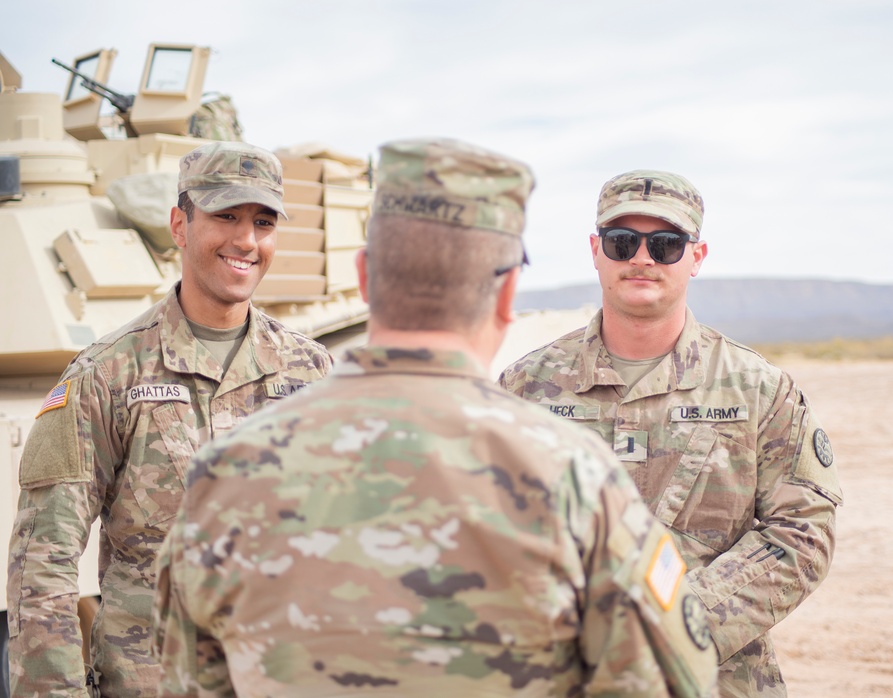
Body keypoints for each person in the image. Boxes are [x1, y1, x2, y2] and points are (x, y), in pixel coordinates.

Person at [152, 138, 720, 697]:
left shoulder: (224, 475)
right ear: (507, 293)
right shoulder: (576, 478)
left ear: (367, 277)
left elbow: (187, 680)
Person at [6, 141, 334, 697]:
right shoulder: (106, 374)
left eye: (262, 221)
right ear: (180, 225)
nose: (246, 241)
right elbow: (43, 561)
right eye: (225, 216)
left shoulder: (312, 370)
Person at [498, 170, 843, 697]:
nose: (642, 258)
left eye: (665, 244)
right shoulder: (526, 385)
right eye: (622, 242)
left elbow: (802, 533)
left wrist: (677, 624)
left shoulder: (756, 389)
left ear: (696, 257)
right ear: (596, 251)